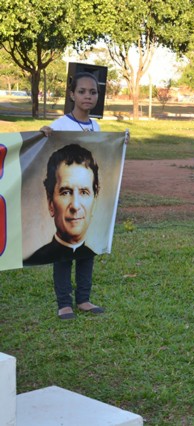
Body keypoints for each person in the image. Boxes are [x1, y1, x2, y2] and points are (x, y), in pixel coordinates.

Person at [30, 72, 104, 320]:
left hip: (82, 200)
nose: (87, 96)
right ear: (72, 94)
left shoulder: (96, 126)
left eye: (92, 92)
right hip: (67, 189)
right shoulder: (60, 125)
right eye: (82, 91)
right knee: (61, 255)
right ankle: (64, 303)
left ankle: (83, 299)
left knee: (86, 252)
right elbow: (44, 148)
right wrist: (42, 134)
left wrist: (121, 143)